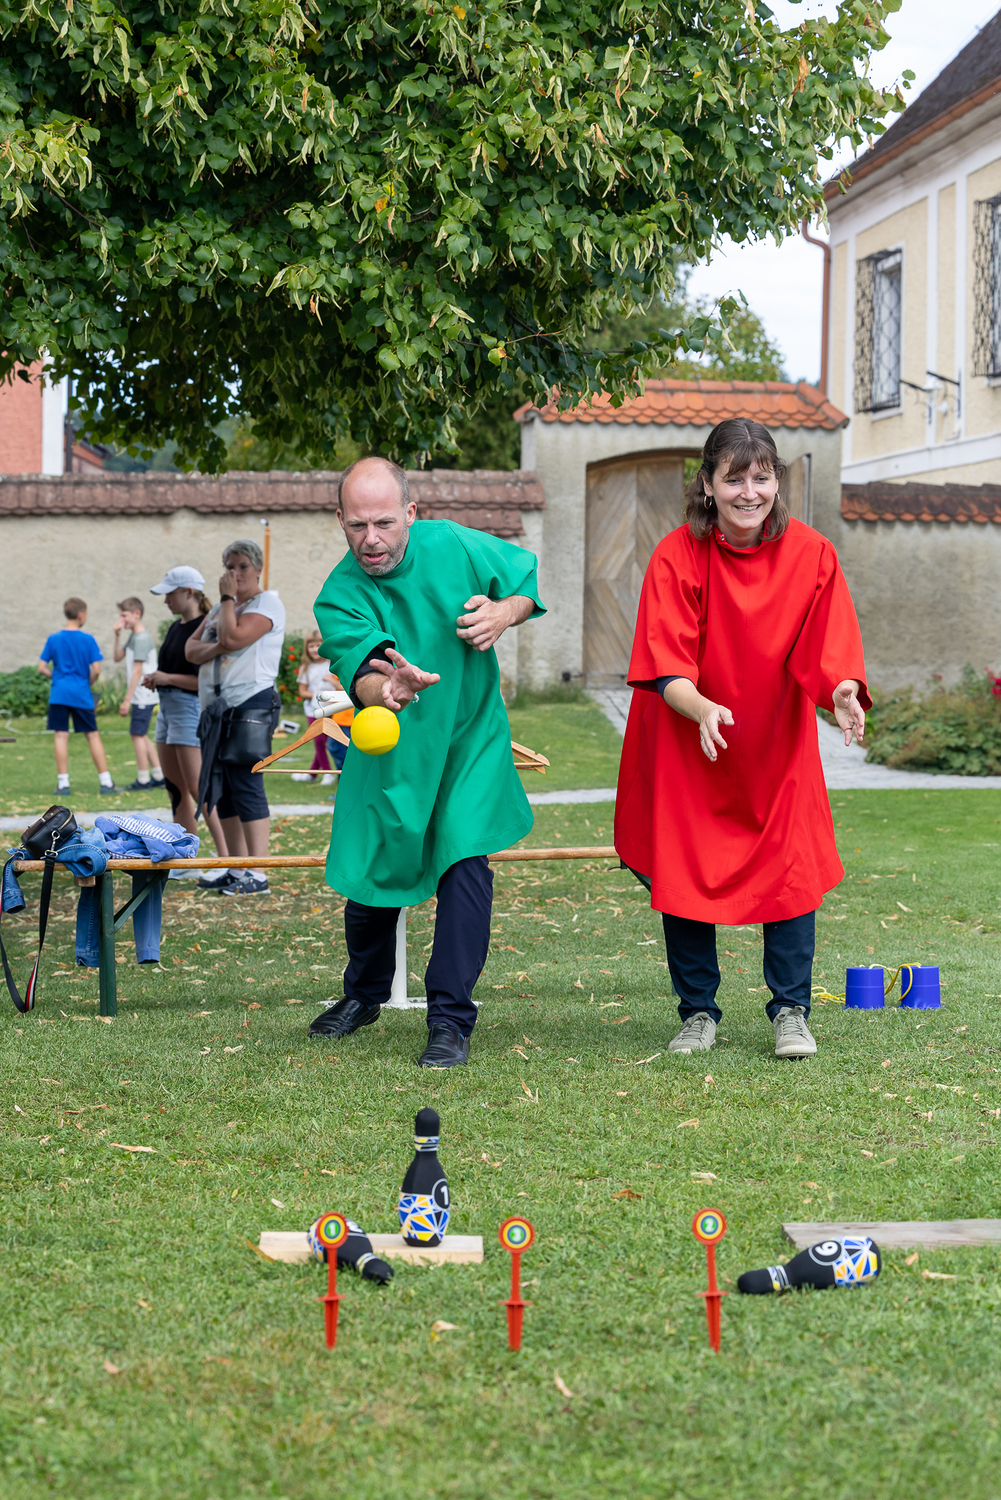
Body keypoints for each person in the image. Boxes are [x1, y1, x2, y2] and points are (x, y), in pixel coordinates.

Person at [614, 418, 869, 1061]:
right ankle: (698, 1012)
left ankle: (791, 1011)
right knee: (687, 873)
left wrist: (841, 690)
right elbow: (666, 664)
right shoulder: (676, 555)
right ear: (708, 484)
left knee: (790, 872)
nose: (749, 492)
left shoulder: (812, 554)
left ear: (776, 483)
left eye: (762, 478)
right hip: (690, 743)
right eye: (734, 479)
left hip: (775, 743)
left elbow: (829, 646)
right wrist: (701, 708)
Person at [309, 455, 545, 1068]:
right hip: (393, 758)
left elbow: (524, 580)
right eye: (357, 525)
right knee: (372, 880)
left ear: (411, 513)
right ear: (340, 520)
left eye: (384, 523)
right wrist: (384, 688)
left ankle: (449, 1020)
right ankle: (364, 995)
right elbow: (360, 668)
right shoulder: (339, 594)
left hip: (469, 742)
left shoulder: (455, 545)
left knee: (464, 865)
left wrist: (503, 612)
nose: (372, 539)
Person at [185, 539, 286, 897]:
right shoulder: (219, 609)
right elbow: (190, 649)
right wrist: (220, 645)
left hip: (250, 704)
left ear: (257, 569)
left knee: (246, 782)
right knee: (221, 787)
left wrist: (227, 602)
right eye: (230, 566)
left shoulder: (266, 603)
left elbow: (235, 635)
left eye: (243, 566)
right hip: (217, 708)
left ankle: (258, 872)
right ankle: (236, 865)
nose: (235, 573)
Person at [143, 566, 230, 885]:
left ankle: (227, 859)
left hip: (189, 709)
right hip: (167, 709)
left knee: (198, 787)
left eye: (170, 594)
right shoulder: (175, 627)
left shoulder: (206, 628)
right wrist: (159, 679)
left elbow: (204, 682)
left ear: (189, 593)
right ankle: (185, 858)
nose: (166, 600)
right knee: (175, 787)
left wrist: (167, 678)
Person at [38, 596, 120, 796]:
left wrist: (57, 678)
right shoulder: (88, 639)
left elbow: (41, 668)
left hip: (59, 693)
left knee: (60, 735)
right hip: (81, 693)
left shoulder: (53, 638)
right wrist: (86, 683)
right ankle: (106, 782)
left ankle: (63, 784)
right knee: (92, 735)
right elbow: (97, 670)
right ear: (81, 615)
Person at [112, 596, 165, 792]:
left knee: (137, 735)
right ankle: (158, 776)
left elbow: (137, 671)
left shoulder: (142, 638)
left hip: (143, 694)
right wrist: (117, 636)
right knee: (140, 735)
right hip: (141, 695)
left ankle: (143, 780)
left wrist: (127, 700)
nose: (122, 620)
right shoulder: (134, 636)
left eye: (124, 616)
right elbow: (117, 657)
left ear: (137, 614)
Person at [291, 628, 340, 785]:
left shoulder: (332, 665)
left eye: (318, 645)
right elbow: (303, 692)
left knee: (324, 742)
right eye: (311, 646)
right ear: (307, 648)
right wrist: (319, 695)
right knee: (318, 741)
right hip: (312, 710)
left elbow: (341, 687)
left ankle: (312, 774)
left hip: (332, 709)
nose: (314, 649)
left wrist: (331, 682)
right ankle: (327, 773)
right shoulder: (306, 668)